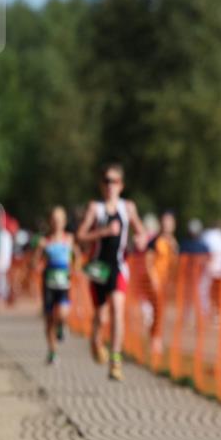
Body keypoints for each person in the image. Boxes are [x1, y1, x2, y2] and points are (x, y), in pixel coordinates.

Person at [77, 163, 149, 382]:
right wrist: (103, 232)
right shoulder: (94, 208)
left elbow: (142, 232)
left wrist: (140, 239)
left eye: (114, 181)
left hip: (118, 266)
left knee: (117, 309)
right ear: (101, 185)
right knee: (101, 315)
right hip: (98, 267)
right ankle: (95, 340)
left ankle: (115, 361)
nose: (110, 186)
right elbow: (80, 236)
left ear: (121, 185)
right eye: (107, 181)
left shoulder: (128, 208)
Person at [33, 207, 76, 365]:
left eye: (60, 220)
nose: (57, 223)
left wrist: (74, 268)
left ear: (64, 222)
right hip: (49, 281)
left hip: (64, 280)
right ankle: (52, 351)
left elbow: (76, 256)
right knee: (49, 318)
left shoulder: (69, 239)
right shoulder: (45, 241)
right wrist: (39, 250)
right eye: (54, 219)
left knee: (63, 313)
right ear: (50, 221)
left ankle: (62, 326)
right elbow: (33, 263)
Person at [146, 210, 179, 355]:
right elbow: (149, 260)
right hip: (157, 281)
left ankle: (155, 337)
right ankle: (155, 340)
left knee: (161, 311)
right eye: (165, 221)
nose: (167, 224)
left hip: (168, 282)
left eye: (169, 221)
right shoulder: (155, 241)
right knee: (158, 310)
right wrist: (153, 277)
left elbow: (175, 263)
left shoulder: (173, 243)